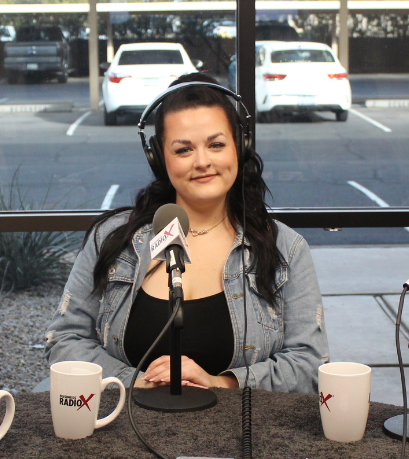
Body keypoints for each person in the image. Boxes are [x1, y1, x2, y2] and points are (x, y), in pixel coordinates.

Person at [46, 74, 328, 393]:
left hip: (236, 434)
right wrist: (135, 382)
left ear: (241, 145)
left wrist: (220, 383)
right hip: (122, 428)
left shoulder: (286, 250)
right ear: (158, 158)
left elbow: (310, 365)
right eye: (183, 150)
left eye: (216, 144)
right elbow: (65, 341)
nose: (203, 162)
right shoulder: (113, 238)